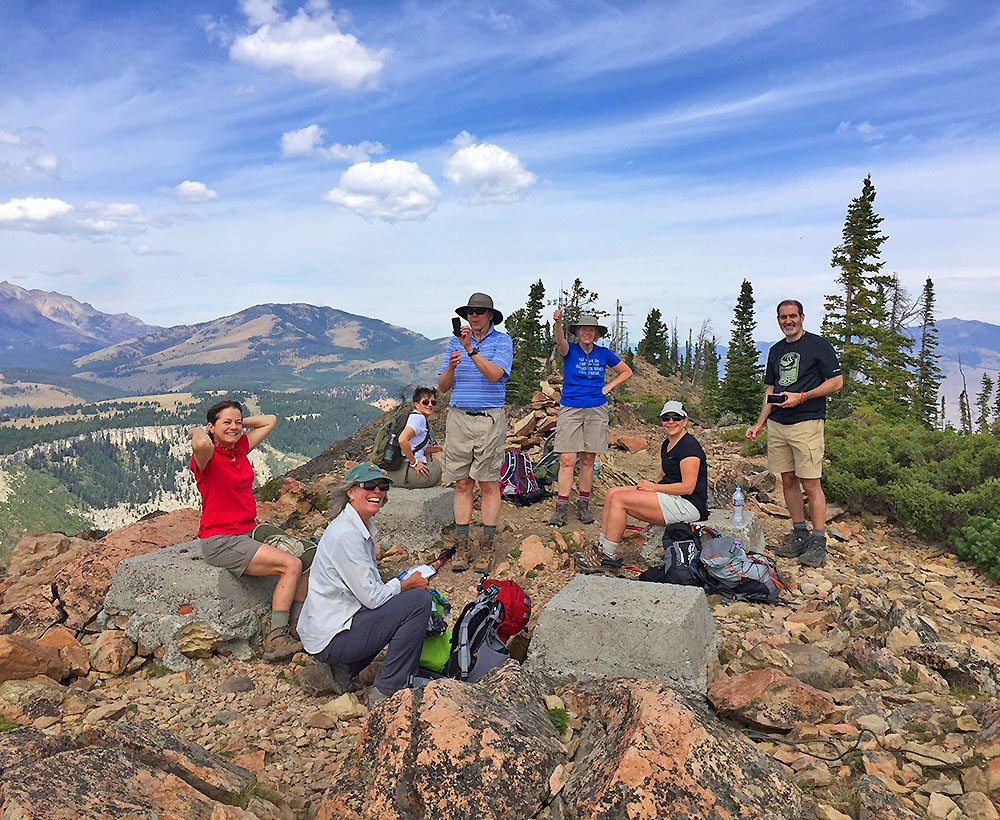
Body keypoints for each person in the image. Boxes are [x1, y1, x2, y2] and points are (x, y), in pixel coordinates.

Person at [296, 463, 431, 704]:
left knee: (400, 601)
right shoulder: (347, 535)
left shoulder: (354, 526)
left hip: (327, 631)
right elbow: (372, 598)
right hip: (332, 637)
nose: (377, 492)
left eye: (382, 486)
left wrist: (399, 585)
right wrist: (404, 585)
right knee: (418, 602)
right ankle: (388, 688)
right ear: (350, 491)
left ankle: (345, 671)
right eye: (369, 486)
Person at [188, 400, 308, 662]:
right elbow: (201, 444)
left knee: (309, 557)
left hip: (248, 532)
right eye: (226, 422)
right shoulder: (207, 458)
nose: (234, 427)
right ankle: (276, 637)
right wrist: (198, 430)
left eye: (238, 421)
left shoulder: (239, 449)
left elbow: (270, 419)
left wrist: (238, 427)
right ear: (212, 426)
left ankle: (298, 626)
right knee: (291, 565)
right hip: (221, 540)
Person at [746, 299, 843, 568]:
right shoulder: (776, 350)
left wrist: (802, 397)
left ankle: (819, 540)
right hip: (778, 423)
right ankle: (799, 532)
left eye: (792, 316)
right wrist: (759, 424)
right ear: (778, 319)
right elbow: (771, 390)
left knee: (811, 482)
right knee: (787, 479)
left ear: (802, 316)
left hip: (807, 422)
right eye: (783, 317)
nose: (788, 321)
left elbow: (836, 382)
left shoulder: (818, 345)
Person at [575, 401, 708, 572]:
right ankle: (602, 546)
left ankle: (607, 556)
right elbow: (663, 476)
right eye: (666, 418)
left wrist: (654, 489)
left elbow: (687, 487)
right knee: (612, 493)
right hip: (671, 497)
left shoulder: (689, 446)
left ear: (685, 421)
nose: (671, 421)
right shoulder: (668, 444)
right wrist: (648, 485)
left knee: (620, 500)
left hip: (688, 504)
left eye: (676, 417)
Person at [438, 292, 513, 574]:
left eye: (480, 311)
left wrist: (471, 350)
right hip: (459, 417)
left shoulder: (502, 341)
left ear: (490, 315)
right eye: (470, 311)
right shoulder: (454, 343)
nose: (474, 315)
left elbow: (495, 375)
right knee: (462, 483)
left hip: (489, 418)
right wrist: (451, 366)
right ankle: (462, 543)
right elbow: (443, 386)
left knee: (489, 483)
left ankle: (488, 543)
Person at [548, 307, 633, 526]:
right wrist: (558, 323)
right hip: (571, 408)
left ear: (596, 333)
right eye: (583, 329)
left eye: (591, 329)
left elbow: (626, 371)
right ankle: (562, 507)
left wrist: (608, 387)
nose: (587, 333)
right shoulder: (571, 350)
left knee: (587, 459)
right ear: (577, 332)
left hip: (596, 409)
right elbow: (560, 343)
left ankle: (583, 505)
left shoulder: (603, 353)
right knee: (567, 459)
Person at [384, 386, 443, 489]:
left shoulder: (410, 417)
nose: (430, 405)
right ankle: (434, 494)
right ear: (416, 404)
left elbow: (415, 447)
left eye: (433, 403)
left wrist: (437, 449)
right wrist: (415, 463)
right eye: (425, 402)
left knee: (437, 453)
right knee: (444, 458)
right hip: (409, 474)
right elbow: (402, 440)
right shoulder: (419, 419)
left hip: (394, 474)